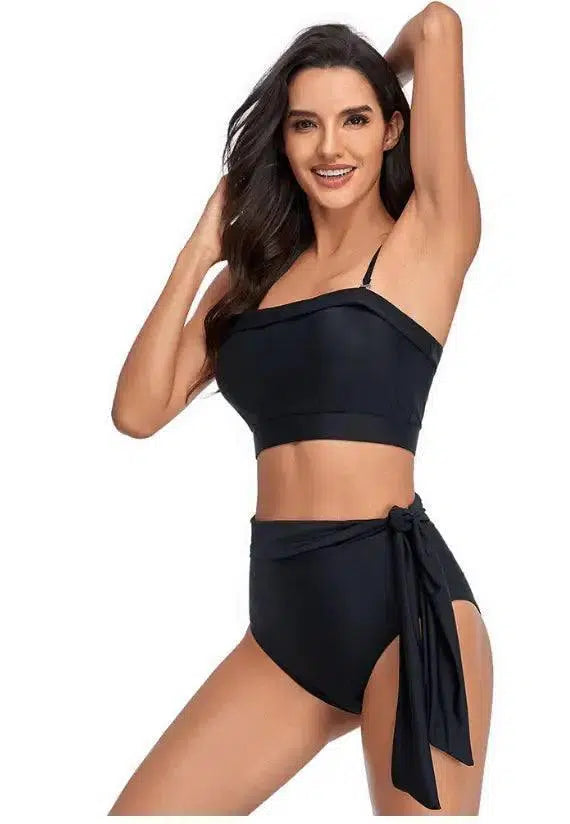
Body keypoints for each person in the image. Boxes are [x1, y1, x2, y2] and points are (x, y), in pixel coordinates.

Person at [109, 6, 493, 816]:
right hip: (283, 629)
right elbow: (138, 412)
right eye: (305, 124)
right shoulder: (249, 280)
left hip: (404, 616)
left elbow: (438, 26)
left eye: (356, 119)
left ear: (393, 129)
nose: (330, 148)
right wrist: (199, 250)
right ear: (282, 141)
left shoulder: (427, 239)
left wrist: (378, 72)